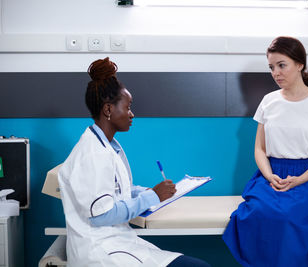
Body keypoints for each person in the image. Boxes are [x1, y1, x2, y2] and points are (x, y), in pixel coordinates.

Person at [58, 57, 211, 267]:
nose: (132, 114)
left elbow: (117, 191)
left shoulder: (108, 147)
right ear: (108, 110)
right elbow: (100, 216)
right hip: (100, 251)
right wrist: (152, 196)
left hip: (118, 242)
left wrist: (142, 191)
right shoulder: (92, 154)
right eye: (128, 107)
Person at [222, 37, 308, 267]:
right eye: (271, 67)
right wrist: (268, 175)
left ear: (300, 64)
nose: (276, 72)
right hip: (272, 173)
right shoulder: (268, 101)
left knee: (288, 216)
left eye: (281, 65)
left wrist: (299, 180)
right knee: (256, 212)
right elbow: (259, 148)